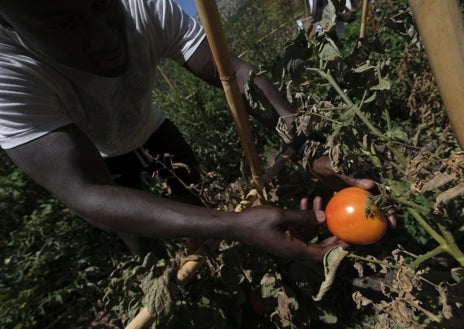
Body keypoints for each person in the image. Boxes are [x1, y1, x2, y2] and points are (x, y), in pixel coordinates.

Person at [0, 0, 375, 261]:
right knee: (141, 240)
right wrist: (234, 225)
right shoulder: (8, 73)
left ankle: (222, 271)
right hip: (100, 158)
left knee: (195, 206)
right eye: (63, 26)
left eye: (101, 3)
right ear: (8, 24)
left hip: (153, 128)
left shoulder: (141, 7)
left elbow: (232, 73)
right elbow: (86, 191)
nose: (104, 39)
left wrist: (309, 147)